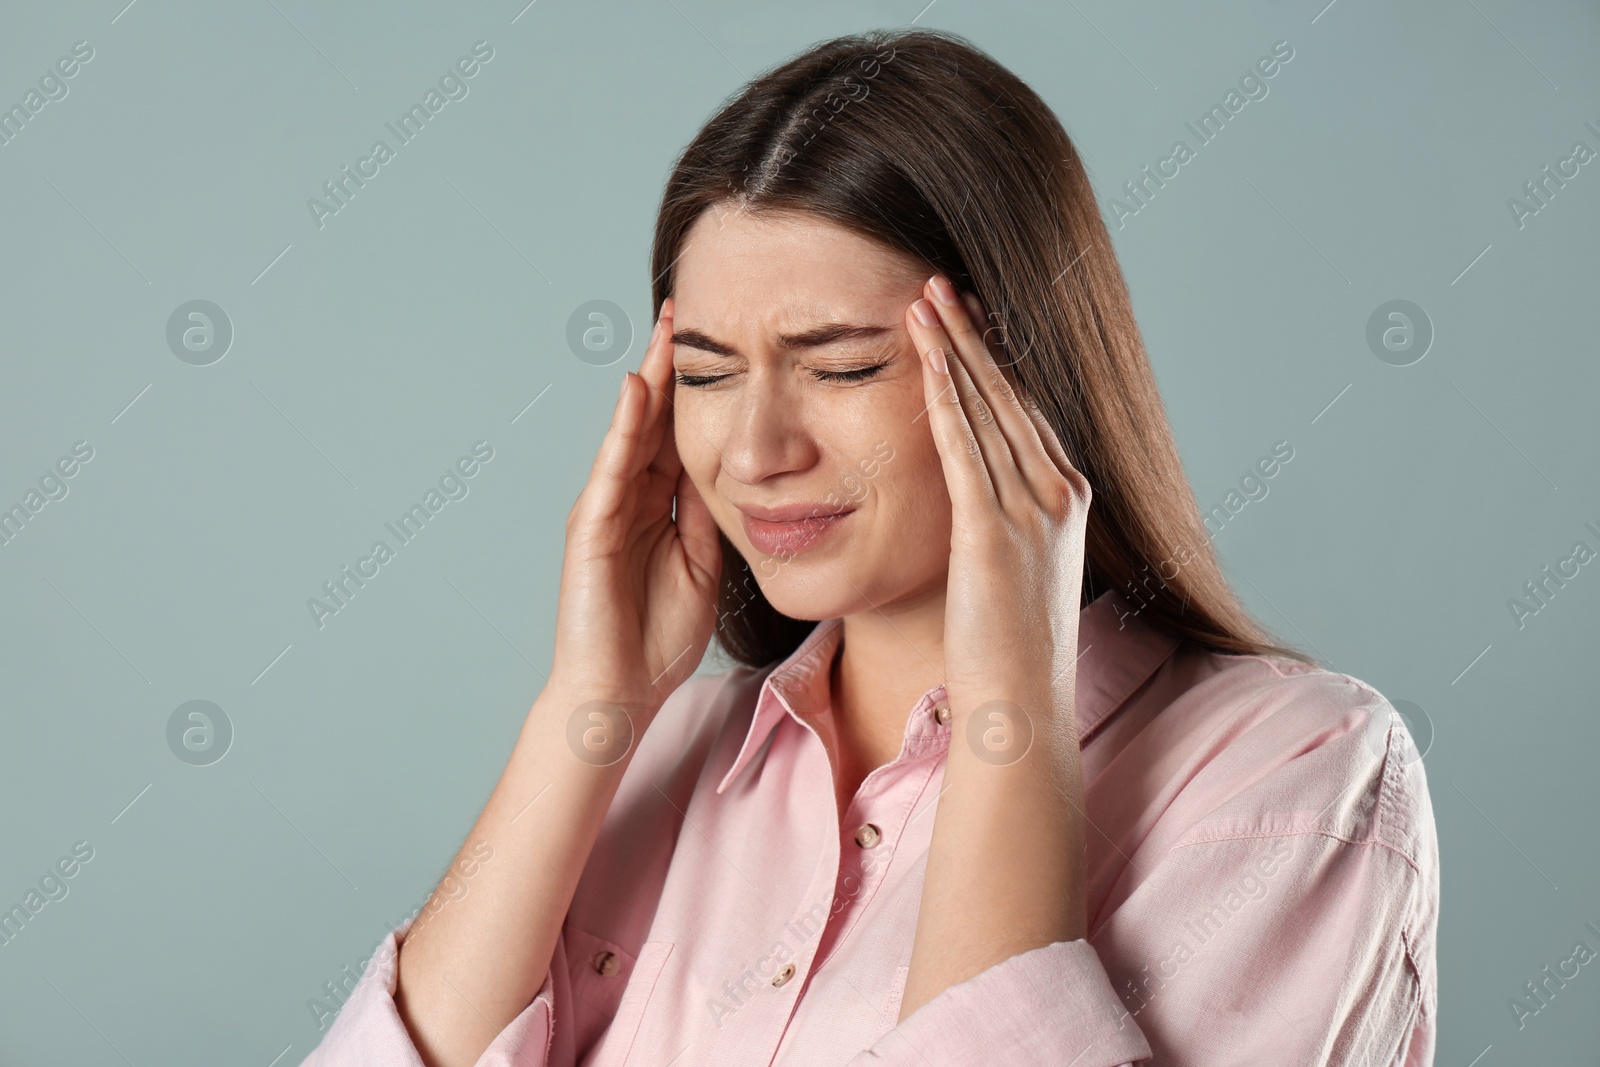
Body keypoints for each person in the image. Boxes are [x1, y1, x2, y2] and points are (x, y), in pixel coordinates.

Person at [301, 27, 1437, 1067]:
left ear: (1019, 371)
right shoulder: (654, 755)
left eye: (839, 365)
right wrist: (584, 705)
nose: (754, 448)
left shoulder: (1293, 776)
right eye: (703, 373)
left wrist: (1010, 709)